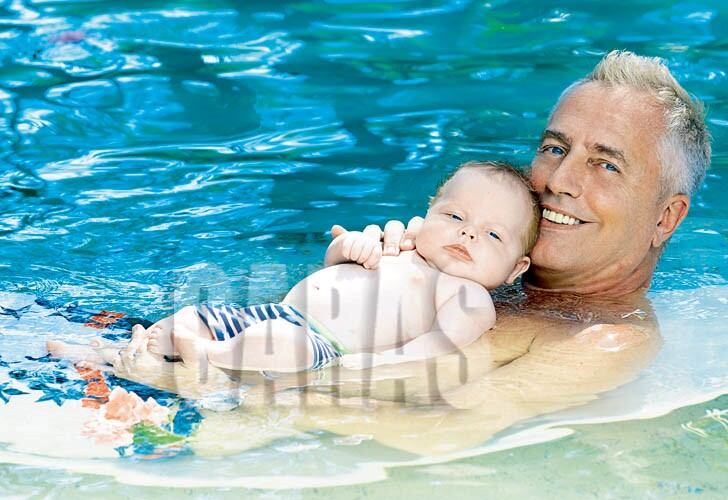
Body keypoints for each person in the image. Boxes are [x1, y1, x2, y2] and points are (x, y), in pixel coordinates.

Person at [48, 161, 540, 376]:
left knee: (279, 345)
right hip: (273, 311)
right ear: (428, 211)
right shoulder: (402, 246)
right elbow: (331, 266)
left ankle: (204, 358)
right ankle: (113, 352)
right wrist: (350, 247)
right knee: (193, 316)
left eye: (492, 235)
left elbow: (438, 345)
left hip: (321, 345)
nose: (467, 235)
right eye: (455, 217)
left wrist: (371, 366)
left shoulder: (468, 296)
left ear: (516, 268)